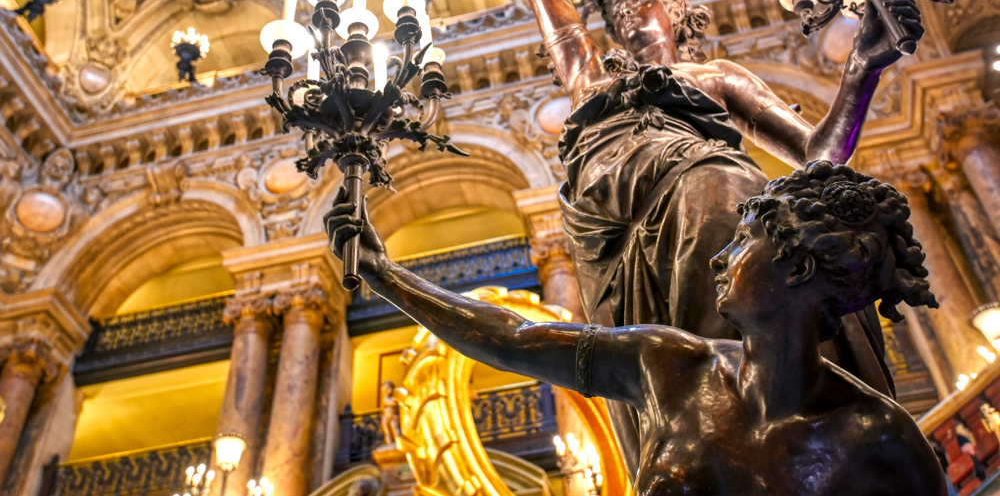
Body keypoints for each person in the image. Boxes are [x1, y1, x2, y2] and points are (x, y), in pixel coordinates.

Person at [522, 0, 923, 472]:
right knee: (676, 378)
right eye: (616, 15)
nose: (630, 21)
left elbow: (819, 154)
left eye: (642, 5)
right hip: (627, 249)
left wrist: (859, 72)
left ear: (674, 8)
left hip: (712, 197)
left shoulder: (716, 76)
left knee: (739, 338)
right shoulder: (590, 78)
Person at [327, 161, 946, 496]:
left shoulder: (878, 438)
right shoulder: (670, 363)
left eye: (743, 244)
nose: (718, 259)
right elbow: (510, 338)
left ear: (799, 266)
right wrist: (385, 277)